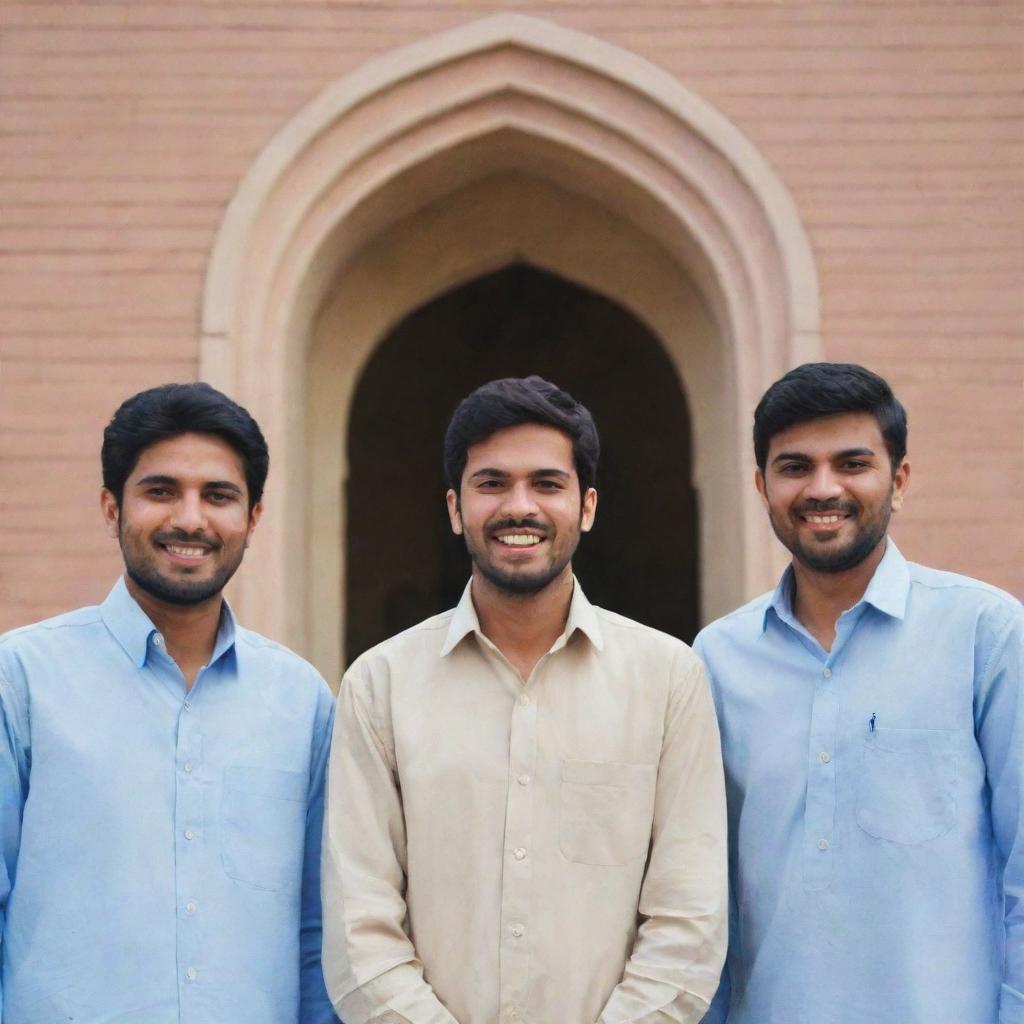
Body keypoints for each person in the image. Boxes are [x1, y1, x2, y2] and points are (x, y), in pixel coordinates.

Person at [321, 376, 727, 1024]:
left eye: (546, 483)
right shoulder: (380, 686)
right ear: (455, 508)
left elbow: (688, 922)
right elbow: (359, 932)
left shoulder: (668, 681)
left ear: (587, 506)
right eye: (492, 483)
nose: (520, 506)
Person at [694, 362, 1024, 1024]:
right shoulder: (718, 658)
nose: (823, 488)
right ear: (762, 486)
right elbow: (706, 893)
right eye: (794, 467)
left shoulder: (985, 633)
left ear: (897, 480)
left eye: (852, 463)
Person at [0, 383, 339, 1024]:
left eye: (218, 496)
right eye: (161, 492)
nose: (190, 519)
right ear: (110, 508)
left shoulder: (302, 702)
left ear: (254, 518)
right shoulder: (21, 680)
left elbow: (319, 936)